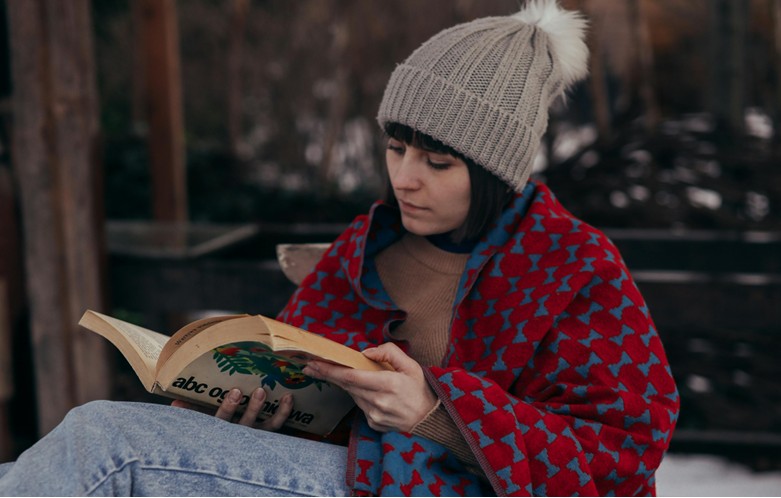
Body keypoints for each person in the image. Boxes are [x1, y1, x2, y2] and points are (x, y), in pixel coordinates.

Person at [0, 0, 679, 495]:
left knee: (105, 445)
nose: (404, 176)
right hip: (346, 475)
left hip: (432, 489)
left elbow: (621, 455)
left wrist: (436, 414)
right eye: (395, 147)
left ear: (496, 170)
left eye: (437, 162)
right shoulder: (364, 249)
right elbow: (312, 396)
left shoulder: (572, 269)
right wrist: (250, 411)